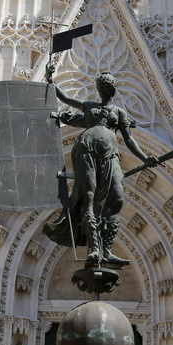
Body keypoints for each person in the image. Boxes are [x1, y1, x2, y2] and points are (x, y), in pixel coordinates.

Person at [43, 66, 158, 265]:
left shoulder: (119, 113)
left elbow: (129, 140)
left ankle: (106, 250)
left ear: (112, 89)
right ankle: (94, 250)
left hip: (110, 155)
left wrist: (145, 157)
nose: (103, 88)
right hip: (86, 149)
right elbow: (65, 99)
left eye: (106, 85)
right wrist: (50, 78)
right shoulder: (89, 106)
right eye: (101, 85)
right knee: (88, 197)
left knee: (117, 198)